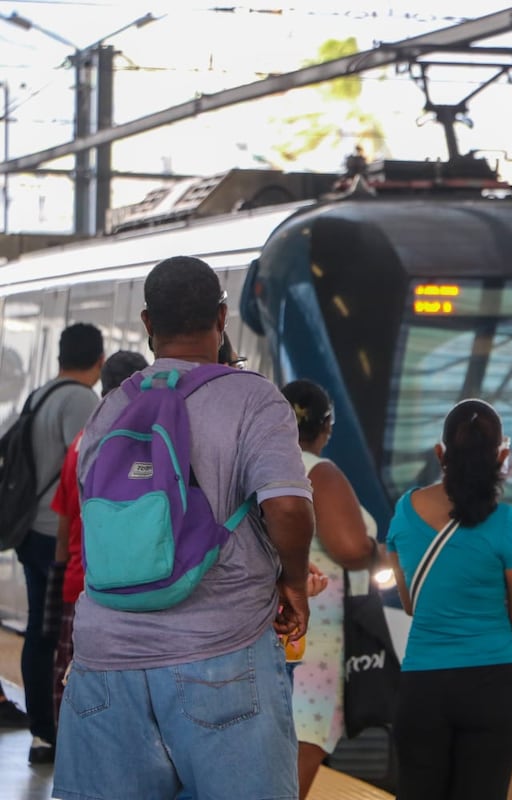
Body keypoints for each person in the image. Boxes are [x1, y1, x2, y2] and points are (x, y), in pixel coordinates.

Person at [52, 256, 316, 800]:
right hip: (220, 652)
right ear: (222, 319)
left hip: (105, 659)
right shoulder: (253, 398)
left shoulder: (111, 409)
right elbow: (288, 508)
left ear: (148, 325)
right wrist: (291, 581)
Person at [385, 398, 512, 800]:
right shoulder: (509, 524)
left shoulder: (404, 513)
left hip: (423, 688)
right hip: (495, 685)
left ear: (440, 453)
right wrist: (490, 646)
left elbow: (410, 602)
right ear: (502, 456)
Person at [281, 378, 384, 799]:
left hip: (261, 635)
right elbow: (348, 546)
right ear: (326, 427)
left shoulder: (251, 465)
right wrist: (376, 552)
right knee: (292, 770)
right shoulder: (318, 472)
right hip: (312, 646)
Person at [17, 321, 104, 764]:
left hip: (31, 528)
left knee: (39, 631)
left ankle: (40, 727)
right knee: (57, 635)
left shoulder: (41, 394)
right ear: (99, 360)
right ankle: (55, 728)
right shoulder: (83, 401)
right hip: (60, 536)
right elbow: (85, 468)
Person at [48, 350, 149, 727]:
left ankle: (67, 754)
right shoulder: (134, 441)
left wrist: (60, 577)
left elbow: (64, 520)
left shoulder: (82, 439)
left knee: (73, 686)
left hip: (79, 577)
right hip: (115, 588)